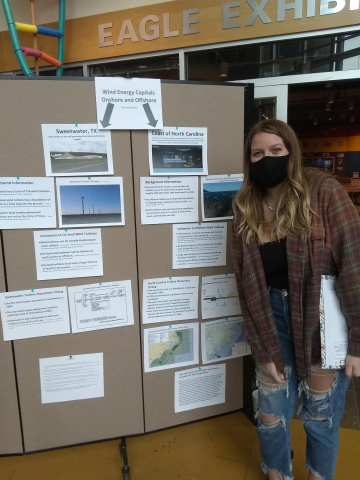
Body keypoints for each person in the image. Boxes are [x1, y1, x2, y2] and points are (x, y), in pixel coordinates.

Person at [231, 119, 360, 480]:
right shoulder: (244, 206)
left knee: (320, 413)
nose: (266, 159)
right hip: (270, 316)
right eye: (258, 153)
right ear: (249, 159)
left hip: (321, 318)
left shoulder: (324, 192)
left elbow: (355, 263)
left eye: (276, 151)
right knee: (271, 410)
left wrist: (357, 343)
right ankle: (277, 472)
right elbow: (243, 282)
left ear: (291, 152)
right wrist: (261, 344)